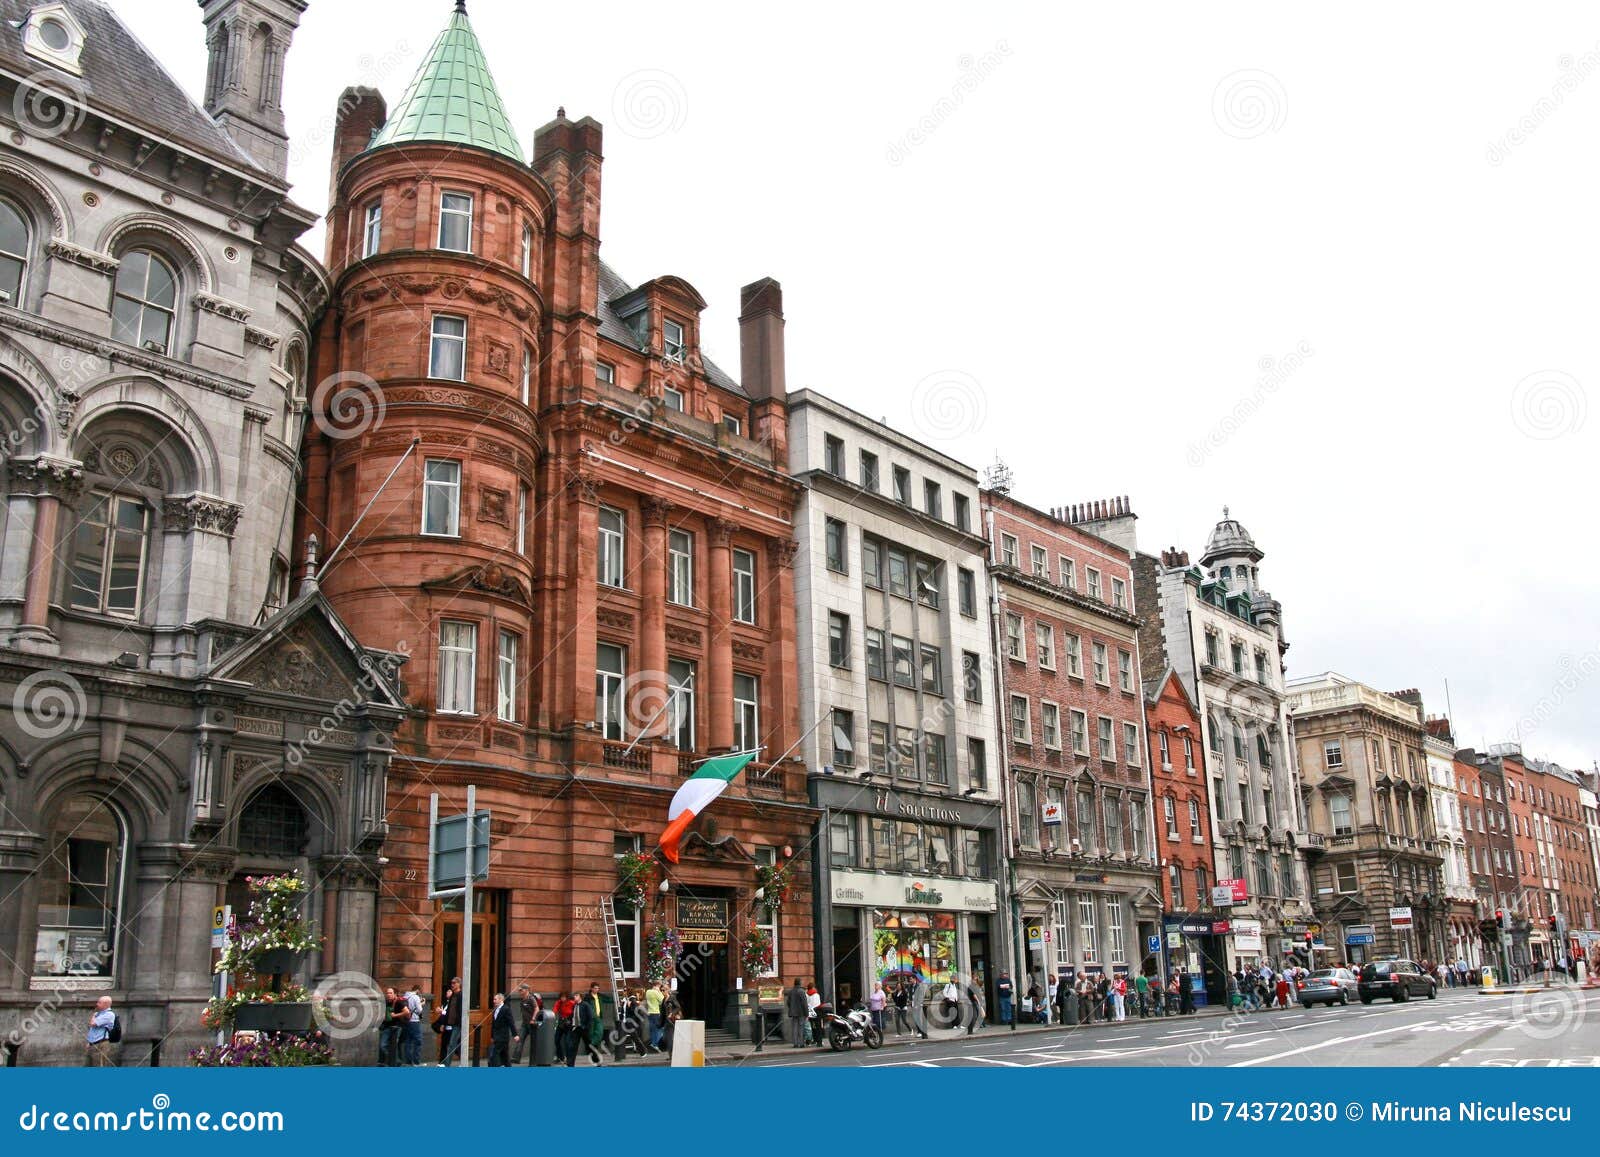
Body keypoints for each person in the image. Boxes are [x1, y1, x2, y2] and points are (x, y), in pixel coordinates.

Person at [570, 982, 604, 1066]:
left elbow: (591, 1017)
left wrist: (586, 1027)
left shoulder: (585, 1005)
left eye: (576, 996)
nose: (574, 997)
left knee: (589, 1047)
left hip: (584, 1029)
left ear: (580, 997)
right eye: (574, 996)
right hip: (576, 1029)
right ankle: (570, 1065)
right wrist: (571, 1024)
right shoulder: (574, 1006)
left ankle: (597, 1062)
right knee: (572, 1047)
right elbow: (572, 1016)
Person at [437, 977, 463, 1065]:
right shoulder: (452, 996)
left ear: (459, 984)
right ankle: (460, 1062)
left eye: (454, 983)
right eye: (451, 983)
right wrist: (443, 1023)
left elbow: (461, 1011)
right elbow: (448, 1011)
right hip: (450, 1023)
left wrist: (460, 1023)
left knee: (452, 1044)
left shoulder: (461, 995)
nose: (452, 985)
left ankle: (447, 1064)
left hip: (457, 1024)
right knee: (453, 1043)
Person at [85, 995, 116, 1066]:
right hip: (94, 1043)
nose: (97, 1004)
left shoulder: (109, 1014)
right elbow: (93, 1030)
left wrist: (94, 1015)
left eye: (99, 1003)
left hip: (100, 1044)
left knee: (99, 1065)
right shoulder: (100, 1014)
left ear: (105, 1004)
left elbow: (93, 1023)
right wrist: (89, 1042)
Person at [515, 985, 541, 1065]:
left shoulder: (531, 998)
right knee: (520, 1039)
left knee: (534, 1043)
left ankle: (533, 1062)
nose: (520, 992)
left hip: (532, 1024)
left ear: (526, 990)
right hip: (524, 1023)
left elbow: (537, 1008)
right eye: (519, 990)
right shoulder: (522, 999)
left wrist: (533, 1019)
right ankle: (516, 1058)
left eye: (521, 990)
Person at [488, 993, 516, 1067]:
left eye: (495, 999)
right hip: (496, 1036)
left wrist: (515, 1034)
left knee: (495, 1054)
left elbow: (511, 1022)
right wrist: (492, 1036)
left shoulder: (506, 1009)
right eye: (493, 999)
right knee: (505, 1055)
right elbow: (494, 1025)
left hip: (503, 1037)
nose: (494, 1001)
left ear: (501, 1000)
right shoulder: (495, 1010)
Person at [403, 984, 425, 1066]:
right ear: (418, 990)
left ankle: (408, 1061)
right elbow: (419, 1010)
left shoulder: (405, 996)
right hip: (414, 1021)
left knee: (408, 1041)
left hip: (406, 1021)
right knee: (418, 1041)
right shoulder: (415, 997)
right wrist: (422, 1004)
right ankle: (416, 1062)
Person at [553, 990, 576, 1065]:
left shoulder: (572, 1003)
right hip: (561, 1023)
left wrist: (572, 1021)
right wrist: (553, 1014)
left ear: (567, 997)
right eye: (561, 997)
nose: (562, 998)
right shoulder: (559, 1003)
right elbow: (555, 1010)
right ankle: (561, 1057)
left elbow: (575, 1013)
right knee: (556, 1040)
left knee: (567, 1042)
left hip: (569, 1024)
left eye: (564, 997)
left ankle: (568, 1058)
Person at [784, 977, 808, 1048]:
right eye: (801, 982)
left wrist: (791, 1008)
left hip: (793, 1012)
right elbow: (804, 1003)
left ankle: (795, 1043)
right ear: (800, 983)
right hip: (801, 1013)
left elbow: (788, 1002)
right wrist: (806, 1013)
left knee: (794, 1027)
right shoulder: (801, 991)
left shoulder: (791, 991)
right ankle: (801, 1043)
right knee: (801, 1027)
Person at [646, 981, 665, 1051]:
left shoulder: (648, 991)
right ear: (657, 985)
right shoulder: (656, 992)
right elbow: (663, 1000)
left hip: (649, 1012)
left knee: (652, 1029)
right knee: (658, 1029)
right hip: (656, 1012)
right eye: (660, 986)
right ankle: (656, 1044)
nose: (660, 988)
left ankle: (652, 1043)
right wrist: (659, 991)